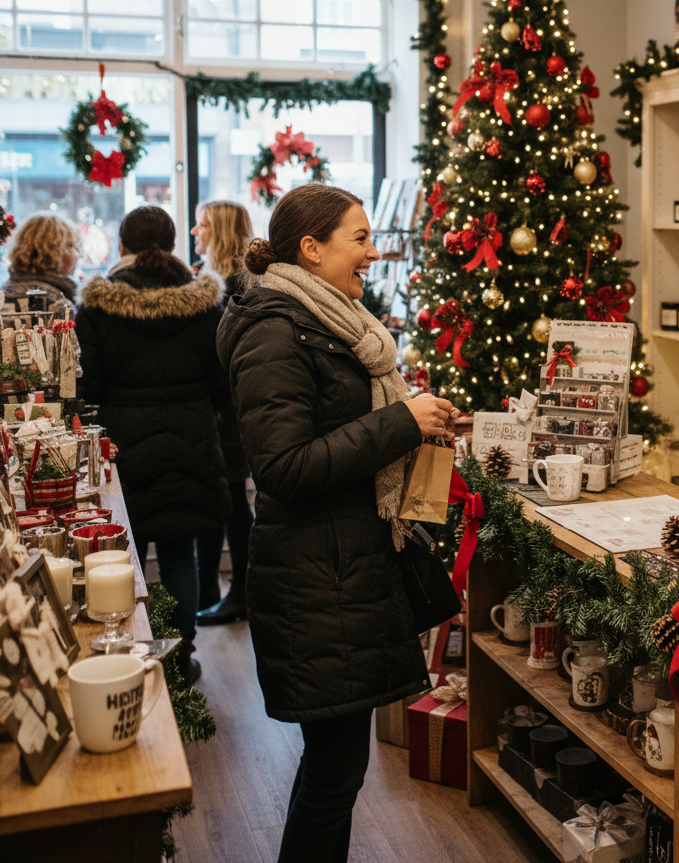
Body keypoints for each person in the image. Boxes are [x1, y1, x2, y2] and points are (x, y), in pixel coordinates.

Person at [217, 184, 458, 863]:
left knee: (335, 771)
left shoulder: (324, 320)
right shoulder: (273, 330)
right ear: (311, 248)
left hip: (343, 569)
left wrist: (413, 425)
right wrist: (397, 423)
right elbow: (285, 466)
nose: (373, 252)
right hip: (317, 580)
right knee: (333, 774)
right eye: (359, 238)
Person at [76, 206, 231, 684]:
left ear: (121, 248)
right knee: (180, 552)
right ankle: (180, 662)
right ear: (171, 245)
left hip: (123, 447)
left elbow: (88, 389)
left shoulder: (98, 307)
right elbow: (221, 384)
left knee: (124, 555)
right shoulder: (204, 303)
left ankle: (128, 660)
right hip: (192, 438)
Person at [190, 200, 255, 623]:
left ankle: (242, 595)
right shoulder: (222, 281)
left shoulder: (233, 287)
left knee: (233, 500)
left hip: (233, 407)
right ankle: (216, 591)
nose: (195, 233)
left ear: (222, 232)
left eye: (202, 226)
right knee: (225, 497)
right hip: (227, 406)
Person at [3, 213, 79, 310]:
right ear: (53, 251)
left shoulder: (5, 293)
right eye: (71, 246)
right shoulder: (55, 303)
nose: (76, 255)